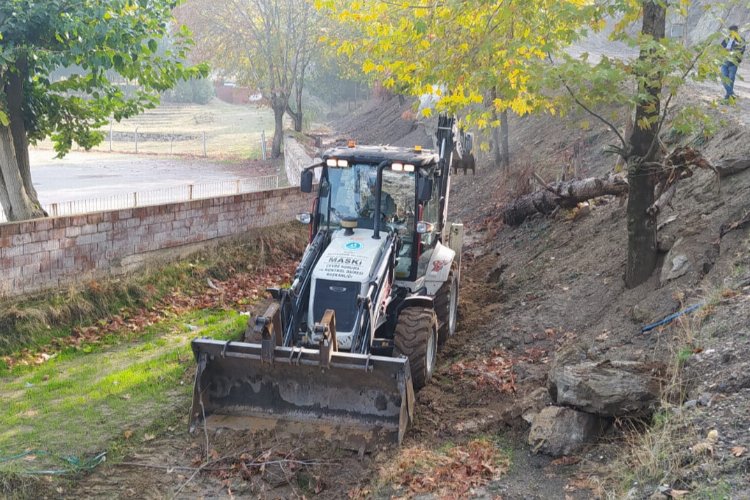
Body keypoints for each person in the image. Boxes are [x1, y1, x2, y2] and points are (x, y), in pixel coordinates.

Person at [720, 25, 746, 102]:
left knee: (731, 80)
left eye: (733, 31)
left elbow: (742, 50)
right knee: (724, 79)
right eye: (730, 32)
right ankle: (731, 94)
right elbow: (721, 48)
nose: (731, 33)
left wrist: (730, 51)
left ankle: (728, 96)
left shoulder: (741, 40)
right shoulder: (726, 39)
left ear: (736, 31)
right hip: (724, 61)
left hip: (733, 62)